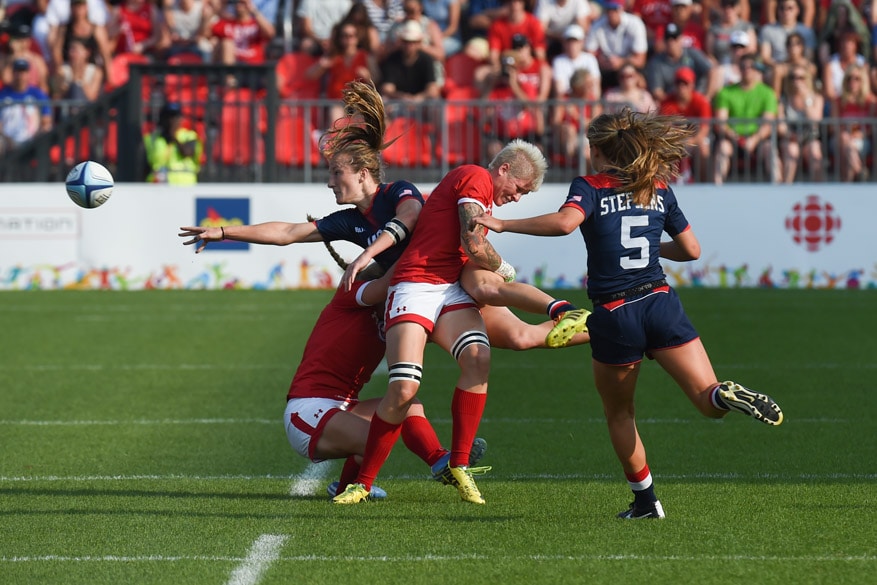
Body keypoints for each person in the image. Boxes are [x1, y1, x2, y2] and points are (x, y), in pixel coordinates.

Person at [471, 108, 784, 519]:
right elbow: (691, 251)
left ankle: (646, 501)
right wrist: (653, 248)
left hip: (616, 315)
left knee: (620, 413)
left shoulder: (590, 186)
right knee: (706, 401)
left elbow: (566, 224)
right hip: (660, 301)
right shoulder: (656, 186)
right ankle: (724, 393)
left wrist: (504, 224)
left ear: (598, 149)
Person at [331, 138, 587, 505]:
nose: (517, 197)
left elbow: (471, 248)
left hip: (450, 288)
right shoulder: (474, 177)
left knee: (479, 358)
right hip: (415, 285)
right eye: (519, 189)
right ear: (503, 170)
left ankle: (460, 465)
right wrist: (504, 268)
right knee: (403, 389)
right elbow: (473, 242)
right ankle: (363, 483)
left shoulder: (482, 190)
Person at [284, 259, 489, 500]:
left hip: (344, 405)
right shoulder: (350, 295)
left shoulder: (392, 321)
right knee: (374, 440)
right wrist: (412, 251)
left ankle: (439, 460)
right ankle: (352, 486)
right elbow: (386, 283)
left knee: (408, 404)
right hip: (307, 410)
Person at [0, 59, 53, 154]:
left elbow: (46, 119)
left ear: (28, 74)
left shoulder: (37, 94)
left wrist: (36, 137)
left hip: (32, 139)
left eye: (23, 72)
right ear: (13, 73)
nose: (20, 76)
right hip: (7, 140)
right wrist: (8, 140)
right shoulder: (3, 95)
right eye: (17, 72)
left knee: (47, 132)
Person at [143, 102, 203, 184]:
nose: (171, 120)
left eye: (175, 117)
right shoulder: (152, 138)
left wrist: (174, 137)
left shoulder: (189, 136)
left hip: (184, 188)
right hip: (158, 189)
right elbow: (144, 167)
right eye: (168, 117)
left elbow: (187, 152)